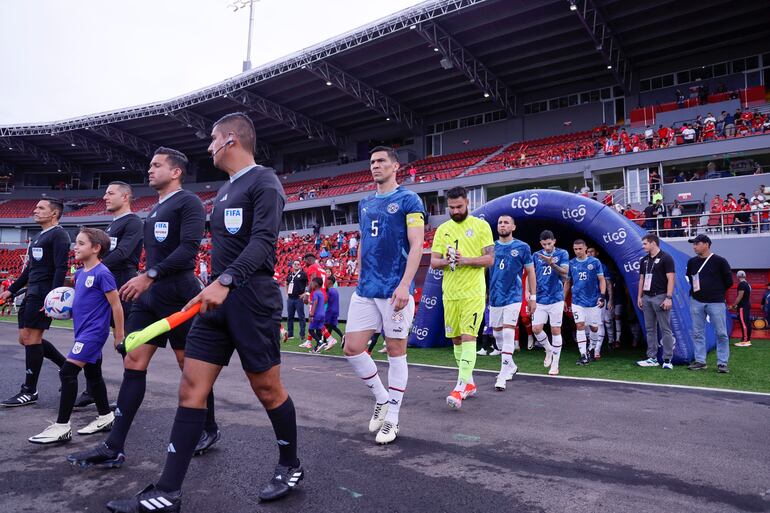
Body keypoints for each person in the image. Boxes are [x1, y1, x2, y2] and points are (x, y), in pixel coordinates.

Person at [105, 113, 303, 511]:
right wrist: (213, 285)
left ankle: (290, 464)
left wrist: (227, 281)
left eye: (213, 139)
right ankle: (168, 491)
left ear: (231, 140)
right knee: (190, 388)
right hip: (213, 300)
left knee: (267, 389)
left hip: (251, 298)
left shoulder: (265, 181)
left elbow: (265, 241)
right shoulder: (225, 192)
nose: (208, 146)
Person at [67, 147, 218, 469]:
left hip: (180, 295)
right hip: (149, 297)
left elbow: (188, 251)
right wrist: (147, 279)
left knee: (189, 368)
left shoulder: (188, 202)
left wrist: (148, 275)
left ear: (175, 171)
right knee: (133, 360)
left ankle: (209, 427)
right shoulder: (153, 210)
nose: (150, 170)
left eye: (156, 165)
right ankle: (113, 446)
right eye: (150, 165)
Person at [342, 145, 424, 444]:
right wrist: (360, 274)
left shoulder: (409, 200)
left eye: (381, 161)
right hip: (366, 288)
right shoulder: (364, 203)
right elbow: (364, 241)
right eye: (372, 161)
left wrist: (405, 284)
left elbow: (416, 245)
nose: (375, 166)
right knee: (352, 348)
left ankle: (393, 417)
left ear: (395, 166)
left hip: (394, 290)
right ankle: (381, 397)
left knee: (395, 351)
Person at [28, 228, 124, 443]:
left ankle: (62, 426)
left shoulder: (102, 273)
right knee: (93, 375)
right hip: (81, 331)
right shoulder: (80, 274)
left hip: (93, 334)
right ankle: (106, 416)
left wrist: (119, 335)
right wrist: (53, 306)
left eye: (80, 243)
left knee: (68, 373)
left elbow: (116, 306)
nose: (75, 247)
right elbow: (76, 301)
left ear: (96, 248)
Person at [75, 181, 143, 409]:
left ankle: (128, 396)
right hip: (103, 286)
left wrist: (94, 267)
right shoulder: (111, 226)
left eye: (110, 193)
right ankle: (93, 389)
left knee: (125, 342)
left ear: (125, 197)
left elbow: (123, 253)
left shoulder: (133, 222)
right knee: (93, 337)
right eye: (105, 193)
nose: (105, 197)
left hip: (123, 286)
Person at [1, 198, 70, 408]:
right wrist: (10, 290)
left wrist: (53, 298)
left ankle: (29, 390)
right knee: (26, 339)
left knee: (32, 338)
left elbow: (60, 268)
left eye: (41, 208)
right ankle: (66, 367)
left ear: (54, 214)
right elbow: (29, 270)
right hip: (32, 292)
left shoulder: (59, 235)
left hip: (43, 295)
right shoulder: (39, 236)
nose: (35, 210)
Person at [431, 186, 493, 409]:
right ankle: (469, 383)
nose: (455, 211)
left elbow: (489, 260)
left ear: (468, 203)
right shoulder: (443, 230)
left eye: (459, 206)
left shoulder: (481, 225)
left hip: (473, 293)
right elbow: (434, 262)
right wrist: (448, 261)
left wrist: (464, 260)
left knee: (468, 337)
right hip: (451, 294)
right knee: (456, 339)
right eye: (451, 207)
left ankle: (459, 387)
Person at [488, 216, 535, 391]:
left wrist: (532, 297)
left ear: (513, 226)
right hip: (495, 298)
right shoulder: (491, 247)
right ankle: (511, 366)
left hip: (513, 296)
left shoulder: (522, 247)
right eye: (500, 222)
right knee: (498, 336)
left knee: (508, 334)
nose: (502, 225)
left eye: (506, 222)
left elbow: (530, 272)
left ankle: (502, 375)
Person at [685, 235, 732, 373]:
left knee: (721, 333)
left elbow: (729, 281)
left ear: (706, 244)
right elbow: (691, 278)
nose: (694, 246)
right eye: (693, 244)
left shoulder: (720, 261)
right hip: (696, 300)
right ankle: (700, 361)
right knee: (698, 332)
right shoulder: (692, 262)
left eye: (697, 244)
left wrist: (716, 291)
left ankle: (722, 363)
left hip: (716, 301)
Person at [531, 230, 570, 375]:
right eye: (544, 244)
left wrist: (552, 264)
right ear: (541, 243)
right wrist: (530, 294)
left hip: (556, 298)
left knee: (555, 330)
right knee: (536, 329)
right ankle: (548, 349)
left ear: (554, 241)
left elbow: (565, 272)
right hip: (540, 298)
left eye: (549, 243)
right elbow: (531, 274)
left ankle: (555, 363)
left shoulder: (562, 253)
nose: (547, 246)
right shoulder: (536, 255)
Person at [636, 234, 676, 369]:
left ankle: (667, 359)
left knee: (665, 329)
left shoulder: (666, 257)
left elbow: (671, 279)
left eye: (645, 244)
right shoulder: (644, 260)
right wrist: (639, 296)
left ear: (653, 243)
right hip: (646, 297)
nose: (643, 246)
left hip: (661, 296)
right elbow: (641, 279)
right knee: (650, 329)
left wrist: (668, 297)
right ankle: (652, 357)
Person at [565, 240, 606, 365]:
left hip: (593, 301)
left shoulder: (594, 262)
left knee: (594, 328)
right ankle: (583, 354)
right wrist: (563, 299)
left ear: (585, 249)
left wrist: (602, 296)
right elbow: (567, 282)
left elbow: (602, 280)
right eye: (575, 249)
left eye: (580, 249)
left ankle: (591, 348)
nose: (577, 251)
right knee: (580, 325)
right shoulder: (571, 263)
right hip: (577, 301)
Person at [302, 253, 337, 349]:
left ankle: (328, 339)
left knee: (312, 317)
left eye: (305, 260)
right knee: (316, 320)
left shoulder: (312, 267)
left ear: (309, 259)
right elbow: (325, 285)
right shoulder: (322, 269)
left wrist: (307, 294)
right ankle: (310, 341)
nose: (305, 263)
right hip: (323, 295)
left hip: (316, 295)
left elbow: (313, 281)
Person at [586, 247, 614, 358]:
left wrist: (611, 299)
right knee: (586, 324)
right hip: (585, 299)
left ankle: (597, 349)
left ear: (597, 253)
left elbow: (608, 284)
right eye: (587, 252)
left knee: (599, 323)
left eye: (591, 251)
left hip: (599, 298)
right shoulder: (581, 264)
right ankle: (590, 346)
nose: (589, 254)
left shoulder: (603, 266)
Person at [285, 260, 308, 342]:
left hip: (299, 299)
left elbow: (309, 285)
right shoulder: (290, 274)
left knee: (301, 317)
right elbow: (286, 283)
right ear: (292, 265)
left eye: (298, 264)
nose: (296, 265)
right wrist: (286, 294)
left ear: (300, 266)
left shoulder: (303, 274)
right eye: (295, 264)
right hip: (290, 299)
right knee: (290, 317)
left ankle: (302, 335)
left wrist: (305, 294)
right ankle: (290, 334)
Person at [732, 270, 753, 347]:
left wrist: (734, 305)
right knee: (746, 322)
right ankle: (747, 340)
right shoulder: (747, 284)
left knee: (744, 323)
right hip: (746, 305)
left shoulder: (741, 284)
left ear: (737, 276)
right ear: (745, 276)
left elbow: (740, 296)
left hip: (742, 307)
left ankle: (745, 341)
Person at [308, 277, 327, 352]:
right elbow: (317, 302)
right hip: (322, 314)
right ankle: (316, 349)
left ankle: (320, 342)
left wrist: (311, 314)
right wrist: (311, 302)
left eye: (312, 283)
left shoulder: (315, 293)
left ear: (315, 284)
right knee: (318, 331)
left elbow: (315, 303)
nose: (311, 285)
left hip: (316, 315)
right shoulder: (321, 293)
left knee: (311, 330)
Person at [324, 275, 343, 344]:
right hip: (335, 310)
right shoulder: (335, 290)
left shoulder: (329, 291)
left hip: (330, 311)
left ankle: (342, 336)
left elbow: (325, 301)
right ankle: (326, 341)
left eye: (327, 280)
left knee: (327, 326)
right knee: (331, 326)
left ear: (330, 282)